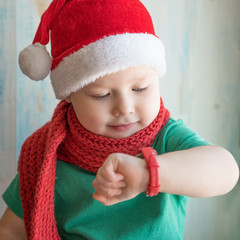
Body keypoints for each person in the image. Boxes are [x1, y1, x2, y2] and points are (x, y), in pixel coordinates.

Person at [0, 0, 239, 239]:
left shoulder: (165, 138)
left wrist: (148, 173)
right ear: (69, 94)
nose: (124, 108)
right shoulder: (48, 154)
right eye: (101, 95)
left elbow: (226, 171)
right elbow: (10, 230)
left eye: (140, 88)